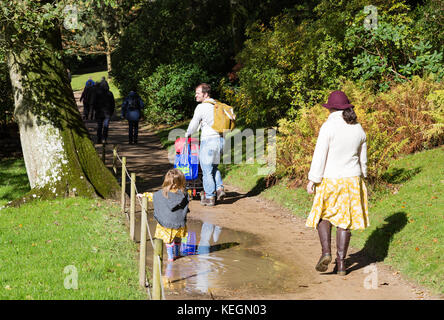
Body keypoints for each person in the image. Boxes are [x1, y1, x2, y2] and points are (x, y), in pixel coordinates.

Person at [305, 90, 369, 276]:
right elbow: (362, 158)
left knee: (322, 215)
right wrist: (363, 175)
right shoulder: (358, 128)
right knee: (345, 220)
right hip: (352, 179)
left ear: (331, 108)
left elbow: (320, 155)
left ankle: (326, 253)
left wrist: (313, 179)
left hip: (330, 178)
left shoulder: (328, 127)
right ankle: (341, 264)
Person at [185, 83, 226, 207]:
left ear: (205, 94)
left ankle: (209, 197)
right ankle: (219, 189)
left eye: (198, 93)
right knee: (213, 167)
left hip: (209, 141)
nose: (196, 95)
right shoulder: (217, 105)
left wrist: (187, 134)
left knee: (206, 170)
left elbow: (193, 124)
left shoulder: (201, 107)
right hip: (221, 141)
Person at [148, 169, 190, 262]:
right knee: (177, 237)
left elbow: (154, 196)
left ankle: (171, 257)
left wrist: (144, 196)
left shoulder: (162, 193)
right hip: (179, 221)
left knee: (169, 240)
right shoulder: (184, 193)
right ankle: (177, 254)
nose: (174, 185)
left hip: (166, 222)